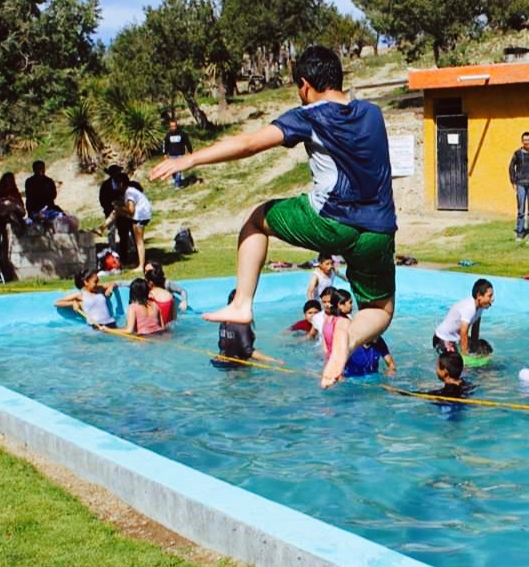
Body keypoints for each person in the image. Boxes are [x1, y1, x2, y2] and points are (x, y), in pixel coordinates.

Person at [149, 45, 396, 389]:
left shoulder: (309, 115)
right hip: (380, 230)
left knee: (256, 220)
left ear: (305, 85)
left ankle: (242, 304)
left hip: (330, 221)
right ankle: (348, 339)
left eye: (299, 88)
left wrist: (189, 160)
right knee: (381, 310)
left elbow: (250, 143)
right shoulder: (372, 112)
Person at [214, 289, 283, 368]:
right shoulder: (241, 324)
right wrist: (273, 360)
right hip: (237, 367)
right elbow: (248, 351)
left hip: (220, 361)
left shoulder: (224, 321)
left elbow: (224, 345)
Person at [97, 173, 152, 272]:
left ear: (121, 184)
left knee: (139, 241)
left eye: (117, 184)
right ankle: (101, 228)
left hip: (140, 215)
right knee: (116, 211)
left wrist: (119, 207)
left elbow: (131, 210)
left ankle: (141, 265)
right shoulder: (130, 191)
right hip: (141, 213)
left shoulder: (129, 193)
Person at [433, 278, 494, 355]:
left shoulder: (480, 307)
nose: (492, 299)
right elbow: (463, 332)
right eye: (490, 296)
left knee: (484, 348)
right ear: (479, 296)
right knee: (456, 361)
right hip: (442, 338)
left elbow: (475, 329)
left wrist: (475, 348)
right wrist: (465, 355)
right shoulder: (470, 308)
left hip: (455, 338)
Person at [99, 165, 134, 262]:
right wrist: (109, 207)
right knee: (111, 231)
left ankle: (127, 252)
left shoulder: (124, 183)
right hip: (111, 212)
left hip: (123, 212)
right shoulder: (106, 185)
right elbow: (103, 199)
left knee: (125, 232)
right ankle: (113, 251)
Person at [320, 288, 354, 363]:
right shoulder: (345, 322)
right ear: (340, 305)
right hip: (344, 362)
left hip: (330, 361)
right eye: (350, 302)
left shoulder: (327, 320)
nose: (352, 305)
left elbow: (325, 347)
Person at [0, 172, 27, 237]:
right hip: (2, 214)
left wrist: (13, 202)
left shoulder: (15, 192)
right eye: (6, 181)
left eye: (10, 181)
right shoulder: (0, 192)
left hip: (15, 213)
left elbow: (21, 206)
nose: (8, 183)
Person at [163, 120, 193, 188]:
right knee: (172, 169)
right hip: (171, 155)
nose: (173, 128)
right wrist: (165, 153)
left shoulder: (182, 134)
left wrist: (190, 151)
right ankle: (175, 179)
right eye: (172, 126)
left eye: (174, 126)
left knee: (179, 169)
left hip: (180, 154)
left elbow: (187, 142)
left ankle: (177, 184)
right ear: (170, 127)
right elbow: (165, 144)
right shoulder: (168, 135)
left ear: (177, 126)